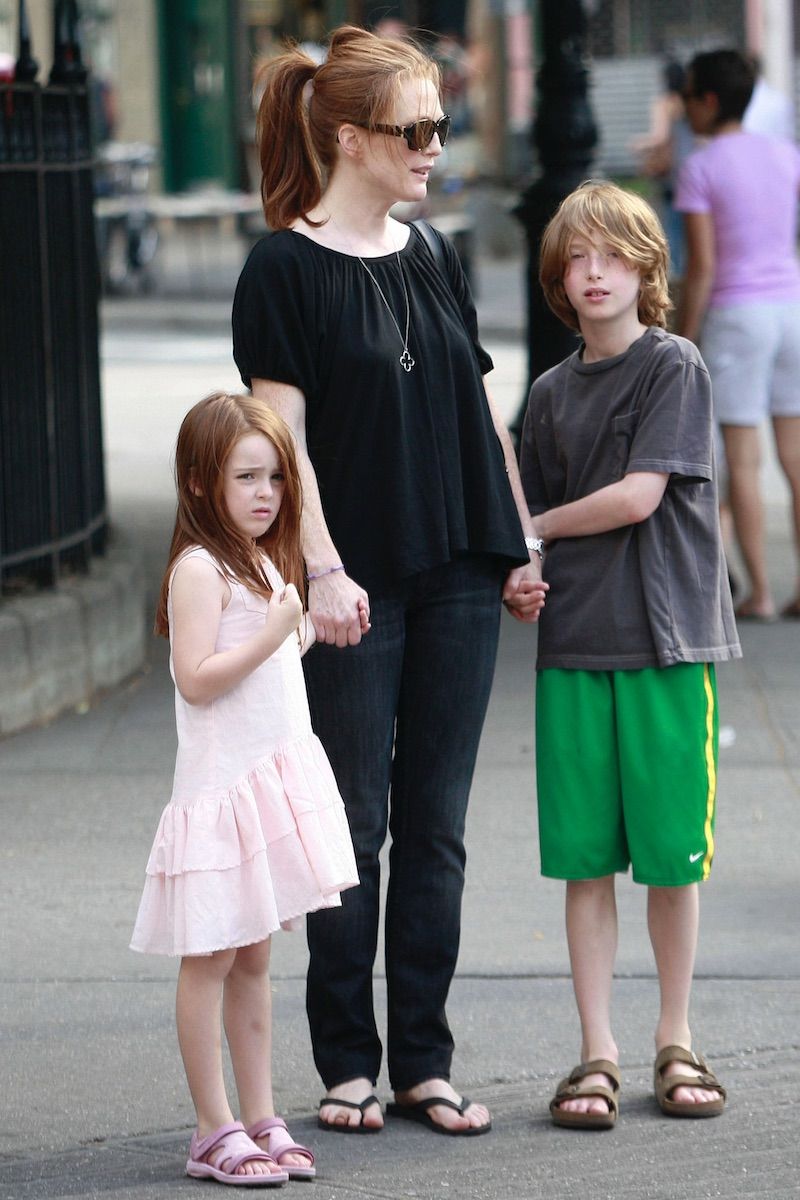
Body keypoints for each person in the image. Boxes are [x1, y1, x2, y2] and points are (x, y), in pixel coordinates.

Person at [232, 24, 547, 1136]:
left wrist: (520, 538)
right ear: (351, 139)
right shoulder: (282, 269)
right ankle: (347, 1062)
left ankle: (423, 1059)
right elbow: (283, 444)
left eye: (440, 125)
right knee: (350, 823)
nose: (434, 147)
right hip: (353, 585)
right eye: (414, 130)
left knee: (437, 825)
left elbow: (478, 409)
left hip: (460, 568)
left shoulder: (437, 253)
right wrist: (319, 570)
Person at [519, 181, 741, 1130]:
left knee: (670, 861)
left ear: (648, 268)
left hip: (665, 642)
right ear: (559, 279)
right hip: (575, 643)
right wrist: (522, 566)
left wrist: (535, 531)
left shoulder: (674, 365)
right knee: (585, 864)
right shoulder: (547, 394)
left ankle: (675, 1038)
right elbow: (528, 528)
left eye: (613, 254)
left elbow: (638, 496)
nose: (594, 271)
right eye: (577, 257)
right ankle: (596, 1051)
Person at [130, 392, 359, 1184]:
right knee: (211, 961)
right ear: (201, 482)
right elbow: (196, 679)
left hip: (264, 790)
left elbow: (267, 668)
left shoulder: (259, 559)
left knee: (255, 961)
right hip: (222, 799)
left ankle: (260, 1116)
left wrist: (298, 629)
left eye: (276, 478)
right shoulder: (199, 569)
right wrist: (273, 633)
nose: (266, 494)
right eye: (246, 478)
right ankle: (211, 1127)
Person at [676, 49, 800, 620]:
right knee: (794, 459)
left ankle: (761, 594)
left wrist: (683, 336)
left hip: (737, 316)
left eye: (687, 96)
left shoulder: (701, 167)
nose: (683, 107)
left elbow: (702, 267)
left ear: (709, 100)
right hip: (791, 309)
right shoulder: (787, 155)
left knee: (744, 463)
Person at [630, 60, 696, 277]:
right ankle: (689, 269)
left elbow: (660, 136)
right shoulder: (690, 103)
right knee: (691, 227)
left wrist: (638, 145)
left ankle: (675, 274)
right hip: (693, 168)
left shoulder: (664, 103)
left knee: (672, 226)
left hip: (673, 173)